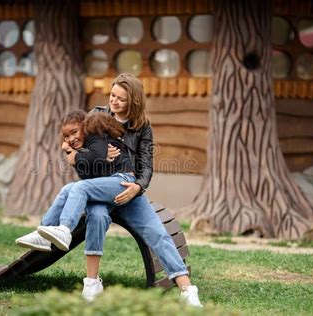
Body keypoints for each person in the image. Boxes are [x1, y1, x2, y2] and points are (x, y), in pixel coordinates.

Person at [19, 73, 203, 307]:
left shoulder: (142, 127)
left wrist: (137, 187)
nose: (113, 102)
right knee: (95, 215)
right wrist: (77, 155)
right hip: (98, 187)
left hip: (126, 187)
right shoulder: (97, 116)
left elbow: (146, 166)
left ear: (133, 102)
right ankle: (92, 284)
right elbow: (81, 151)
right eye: (112, 95)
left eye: (121, 99)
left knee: (158, 233)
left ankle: (187, 290)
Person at [16, 110, 136, 252]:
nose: (71, 138)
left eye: (74, 132)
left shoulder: (94, 134)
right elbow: (87, 177)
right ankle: (43, 234)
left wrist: (76, 157)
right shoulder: (82, 149)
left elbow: (98, 155)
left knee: (79, 187)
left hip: (123, 181)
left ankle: (65, 229)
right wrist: (72, 155)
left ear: (84, 127)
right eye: (66, 136)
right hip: (108, 183)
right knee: (67, 189)